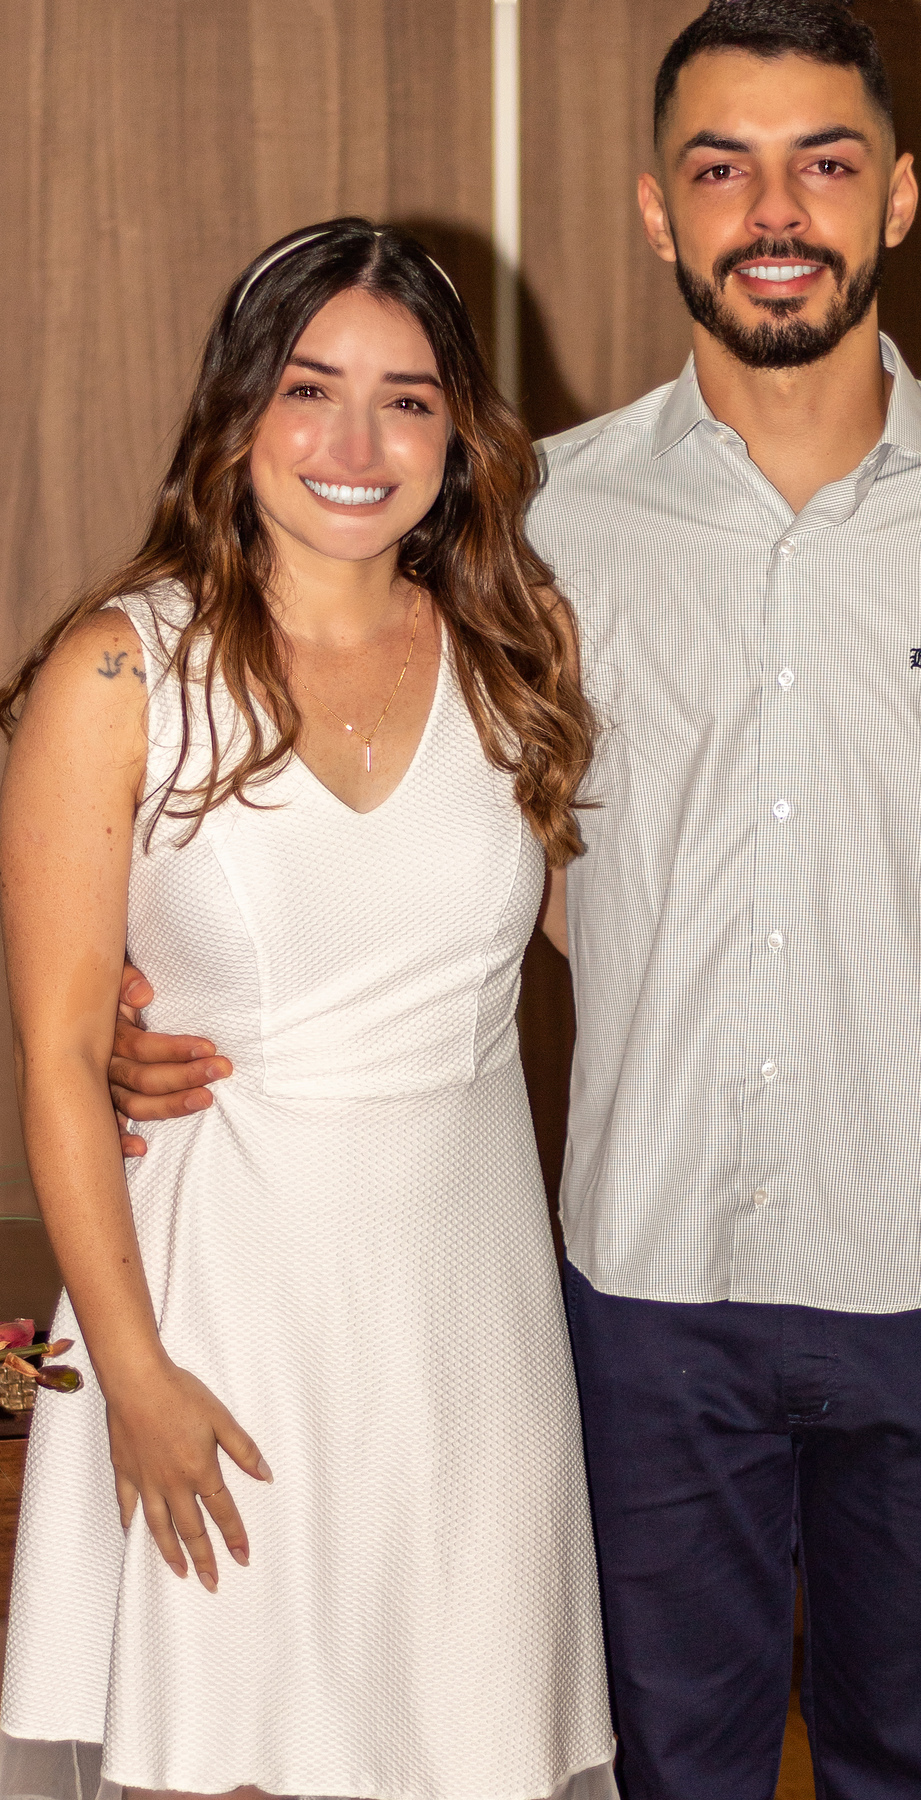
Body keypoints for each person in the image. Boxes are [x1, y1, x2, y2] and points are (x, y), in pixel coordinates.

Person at [108, 4, 921, 1798]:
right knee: (665, 1770)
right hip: (641, 1294)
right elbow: (361, 777)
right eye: (722, 168)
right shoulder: (534, 523)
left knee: (911, 1764)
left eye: (824, 163)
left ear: (899, 198)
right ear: (656, 210)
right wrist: (160, 992)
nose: (776, 211)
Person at [0, 218, 616, 1800]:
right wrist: (131, 1376)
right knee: (232, 1753)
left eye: (406, 400)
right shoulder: (119, 673)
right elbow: (61, 1058)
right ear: (238, 410)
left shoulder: (518, 651)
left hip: (468, 1326)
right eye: (309, 389)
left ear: (457, 433)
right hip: (218, 1320)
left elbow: (618, 943)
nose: (356, 445)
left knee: (466, 1742)